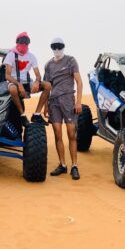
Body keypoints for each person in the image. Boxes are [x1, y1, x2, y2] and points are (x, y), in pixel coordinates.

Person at [43, 37, 83, 180]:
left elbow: (79, 82)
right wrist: (46, 105)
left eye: (59, 46)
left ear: (63, 47)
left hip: (68, 100)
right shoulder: (48, 65)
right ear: (51, 47)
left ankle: (74, 166)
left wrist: (78, 102)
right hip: (54, 102)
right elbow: (47, 87)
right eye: (54, 46)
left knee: (72, 134)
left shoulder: (71, 60)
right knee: (57, 134)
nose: (57, 49)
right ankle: (62, 165)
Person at [3, 32, 51, 127]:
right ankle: (22, 115)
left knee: (48, 85)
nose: (24, 44)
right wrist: (19, 84)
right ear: (17, 43)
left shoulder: (31, 56)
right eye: (22, 42)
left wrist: (37, 82)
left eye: (27, 42)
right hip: (14, 82)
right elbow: (7, 76)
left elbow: (38, 74)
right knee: (13, 89)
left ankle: (37, 114)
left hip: (28, 82)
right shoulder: (11, 55)